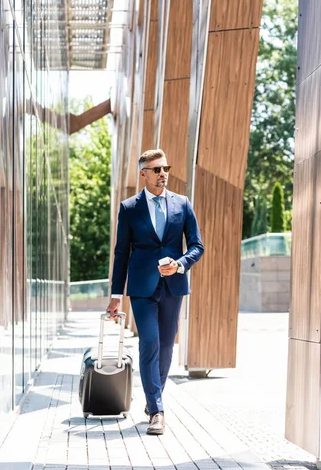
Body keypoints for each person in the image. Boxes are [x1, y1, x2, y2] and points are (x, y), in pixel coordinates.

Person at [106, 149, 204, 435]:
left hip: (173, 287)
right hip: (141, 287)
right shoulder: (129, 208)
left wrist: (180, 264)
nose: (163, 173)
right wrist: (116, 294)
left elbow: (197, 245)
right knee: (149, 342)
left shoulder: (182, 204)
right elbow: (122, 252)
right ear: (144, 173)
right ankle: (157, 411)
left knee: (164, 346)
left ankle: (153, 399)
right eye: (157, 169)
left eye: (165, 168)